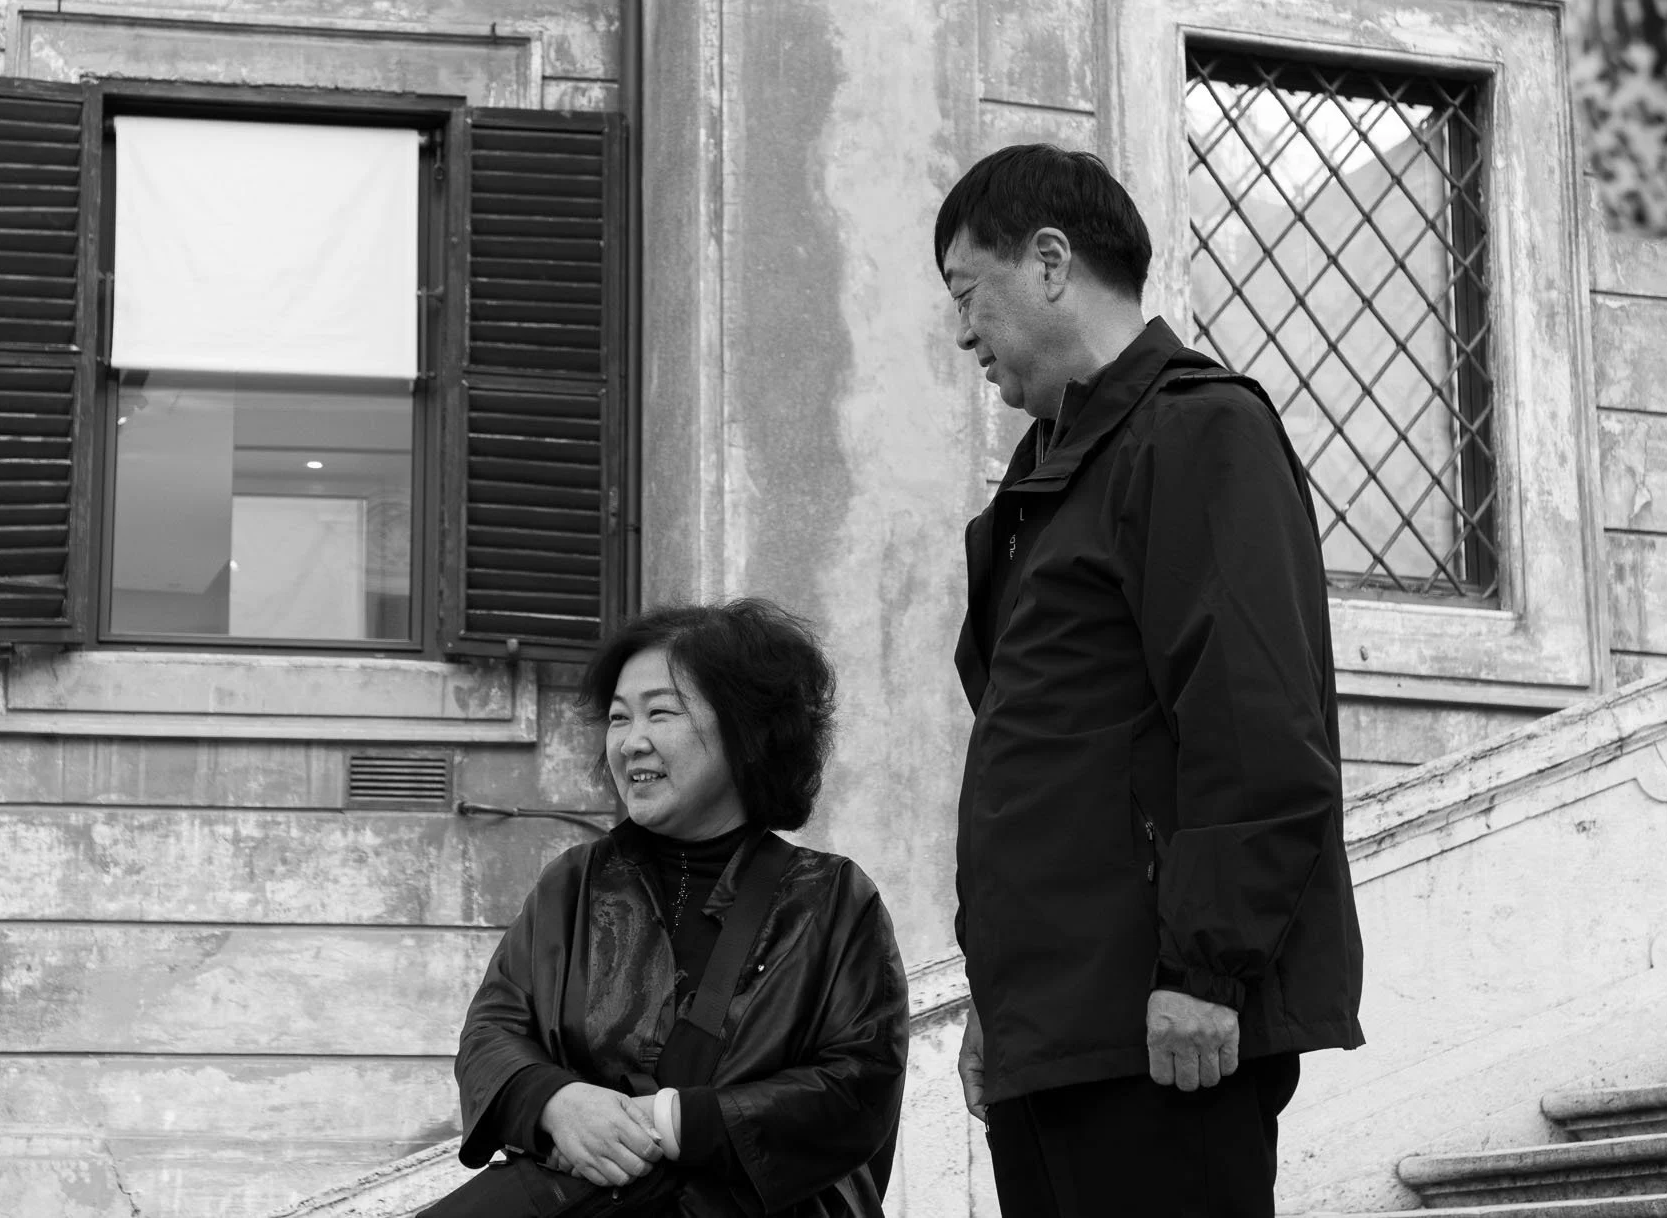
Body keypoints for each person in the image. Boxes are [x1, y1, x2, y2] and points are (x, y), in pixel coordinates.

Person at [936, 143, 1365, 1217]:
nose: (959, 334)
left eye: (964, 293)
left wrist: (1205, 971)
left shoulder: (1195, 428)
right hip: (1059, 1032)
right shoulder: (1053, 479)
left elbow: (1254, 721)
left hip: (1156, 1024)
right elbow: (1036, 762)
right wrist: (1000, 991)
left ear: (1045, 262)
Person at [453, 599, 908, 1217]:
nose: (630, 742)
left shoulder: (832, 898)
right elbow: (492, 1033)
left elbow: (860, 1082)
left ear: (748, 732)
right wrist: (556, 1103)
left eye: (660, 713)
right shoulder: (573, 884)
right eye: (618, 718)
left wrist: (675, 1121)